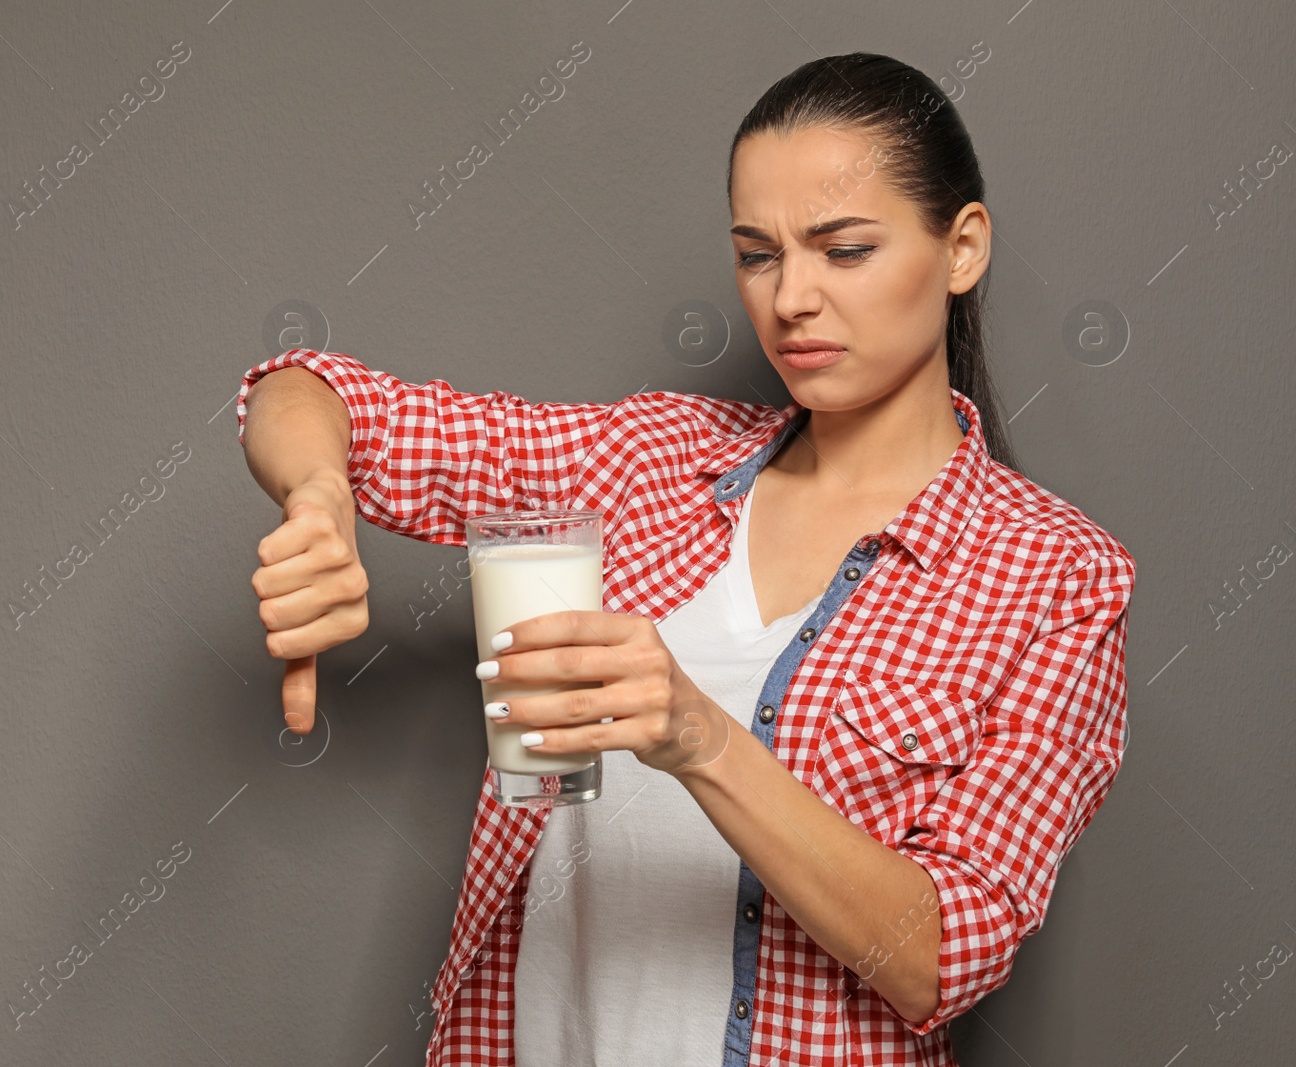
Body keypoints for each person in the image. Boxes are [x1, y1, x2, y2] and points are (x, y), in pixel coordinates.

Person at [237, 51, 1135, 1067]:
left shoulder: (1054, 575)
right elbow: (314, 392)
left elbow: (940, 955)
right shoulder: (648, 459)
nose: (791, 296)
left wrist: (698, 736)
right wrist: (317, 496)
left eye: (843, 250)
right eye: (758, 254)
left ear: (961, 246)